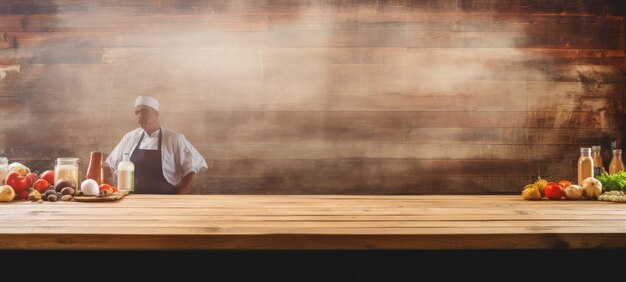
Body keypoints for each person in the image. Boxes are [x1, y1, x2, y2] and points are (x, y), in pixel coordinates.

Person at [104, 95, 207, 194]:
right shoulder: (129, 138)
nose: (139, 115)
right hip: (132, 201)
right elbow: (109, 167)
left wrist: (178, 199)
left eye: (144, 111)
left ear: (156, 114)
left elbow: (191, 173)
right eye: (137, 112)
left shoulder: (174, 139)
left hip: (165, 203)